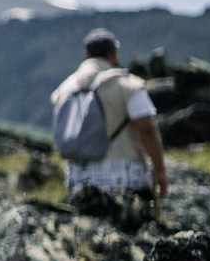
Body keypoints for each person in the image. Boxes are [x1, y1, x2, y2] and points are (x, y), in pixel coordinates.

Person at [51, 28, 167, 202]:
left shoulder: (64, 89)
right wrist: (160, 171)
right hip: (124, 179)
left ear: (85, 55)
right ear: (114, 55)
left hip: (77, 180)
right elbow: (147, 129)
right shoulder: (127, 85)